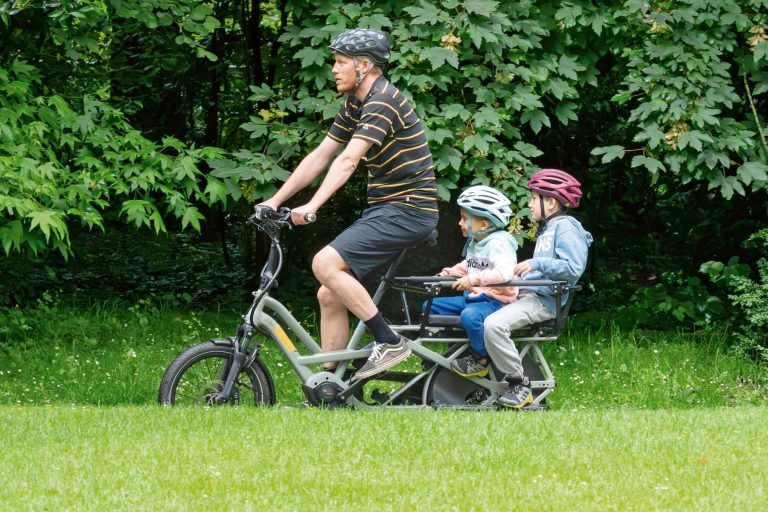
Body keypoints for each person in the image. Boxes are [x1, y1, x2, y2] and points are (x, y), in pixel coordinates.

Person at [258, 28, 438, 381]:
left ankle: (388, 341)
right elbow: (323, 154)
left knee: (324, 262)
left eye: (341, 62)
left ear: (365, 65)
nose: (334, 69)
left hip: (409, 209)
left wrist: (313, 205)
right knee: (330, 294)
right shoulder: (355, 103)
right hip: (387, 208)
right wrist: (276, 200)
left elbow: (348, 160)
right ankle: (331, 384)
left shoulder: (382, 100)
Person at [484, 169, 593, 409]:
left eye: (534, 198)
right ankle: (479, 369)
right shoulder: (550, 228)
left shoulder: (566, 227)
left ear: (551, 202)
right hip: (531, 294)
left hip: (544, 301)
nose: (530, 204)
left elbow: (573, 268)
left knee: (494, 324)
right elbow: (544, 270)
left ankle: (519, 384)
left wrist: (536, 264)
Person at [427, 186, 519, 378]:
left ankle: (480, 358)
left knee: (471, 316)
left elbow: (504, 272)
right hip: (474, 297)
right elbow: (473, 265)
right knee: (430, 306)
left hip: (495, 301)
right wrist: (449, 273)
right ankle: (458, 348)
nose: (459, 222)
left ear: (484, 224)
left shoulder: (499, 243)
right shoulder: (477, 242)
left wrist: (474, 279)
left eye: (464, 218)